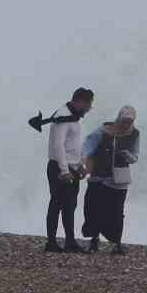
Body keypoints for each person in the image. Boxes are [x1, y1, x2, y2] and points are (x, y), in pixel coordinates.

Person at [80, 105, 141, 254]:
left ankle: (117, 243)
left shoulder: (134, 134)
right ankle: (94, 240)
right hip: (99, 177)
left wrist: (127, 155)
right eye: (124, 120)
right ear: (119, 118)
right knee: (94, 209)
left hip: (119, 180)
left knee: (117, 212)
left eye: (129, 121)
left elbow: (135, 157)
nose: (126, 124)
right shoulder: (104, 131)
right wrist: (85, 162)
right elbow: (88, 146)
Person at [40, 87, 93, 253]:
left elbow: (71, 147)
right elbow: (58, 146)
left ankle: (70, 242)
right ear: (79, 102)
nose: (89, 109)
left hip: (71, 167)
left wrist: (79, 167)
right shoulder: (62, 116)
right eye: (88, 105)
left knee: (70, 206)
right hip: (59, 168)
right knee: (56, 204)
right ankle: (51, 242)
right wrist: (64, 171)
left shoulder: (73, 117)